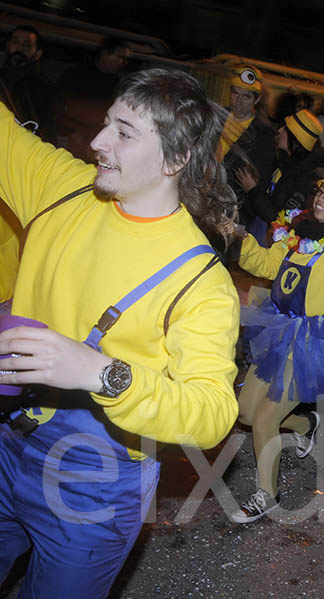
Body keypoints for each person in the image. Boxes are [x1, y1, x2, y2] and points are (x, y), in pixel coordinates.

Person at [0, 68, 240, 597]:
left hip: (94, 483)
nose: (96, 142)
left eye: (123, 133)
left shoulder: (199, 280)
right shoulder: (61, 188)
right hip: (6, 436)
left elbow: (212, 413)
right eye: (107, 123)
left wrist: (102, 374)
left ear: (175, 160)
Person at [230, 165, 324, 523]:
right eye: (322, 192)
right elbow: (268, 264)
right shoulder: (298, 233)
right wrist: (239, 237)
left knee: (265, 420)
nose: (322, 201)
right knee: (246, 414)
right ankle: (304, 426)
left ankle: (266, 495)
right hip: (280, 329)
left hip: (315, 343)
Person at [235, 107, 324, 244]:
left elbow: (279, 218)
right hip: (258, 232)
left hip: (270, 242)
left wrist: (253, 190)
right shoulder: (285, 163)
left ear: (293, 139)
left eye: (284, 129)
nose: (279, 131)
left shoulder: (304, 178)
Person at [216, 64, 276, 227]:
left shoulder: (264, 134)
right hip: (206, 197)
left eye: (246, 97)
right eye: (235, 93)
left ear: (256, 99)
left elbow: (259, 182)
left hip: (235, 209)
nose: (239, 101)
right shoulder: (218, 117)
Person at [55, 37, 131, 162]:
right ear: (106, 53)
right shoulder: (75, 76)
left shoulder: (118, 85)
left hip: (97, 143)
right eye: (120, 57)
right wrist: (74, 133)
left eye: (125, 59)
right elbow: (57, 109)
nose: (123, 63)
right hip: (70, 140)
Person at [0, 25, 55, 142]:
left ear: (37, 53)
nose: (20, 48)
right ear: (8, 46)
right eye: (15, 42)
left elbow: (48, 131)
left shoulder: (45, 88)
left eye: (27, 45)